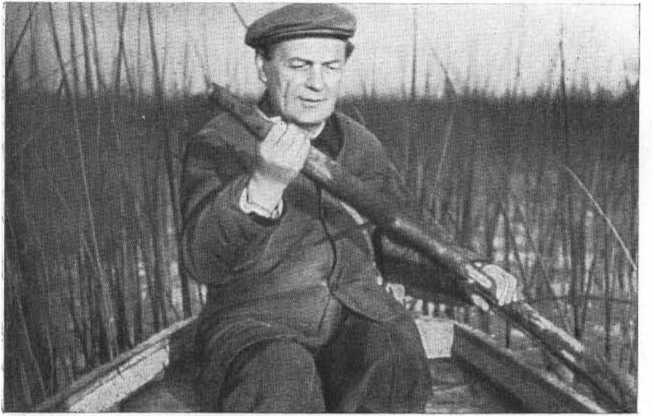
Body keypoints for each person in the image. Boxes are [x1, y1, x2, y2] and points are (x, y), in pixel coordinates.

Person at [181, 3, 520, 412]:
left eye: (330, 67)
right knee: (281, 376)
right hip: (257, 327)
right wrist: (265, 183)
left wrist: (469, 273)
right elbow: (203, 260)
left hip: (355, 313)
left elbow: (398, 237)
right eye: (299, 66)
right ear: (262, 67)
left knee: (392, 349)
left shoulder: (361, 145)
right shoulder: (220, 142)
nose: (316, 84)